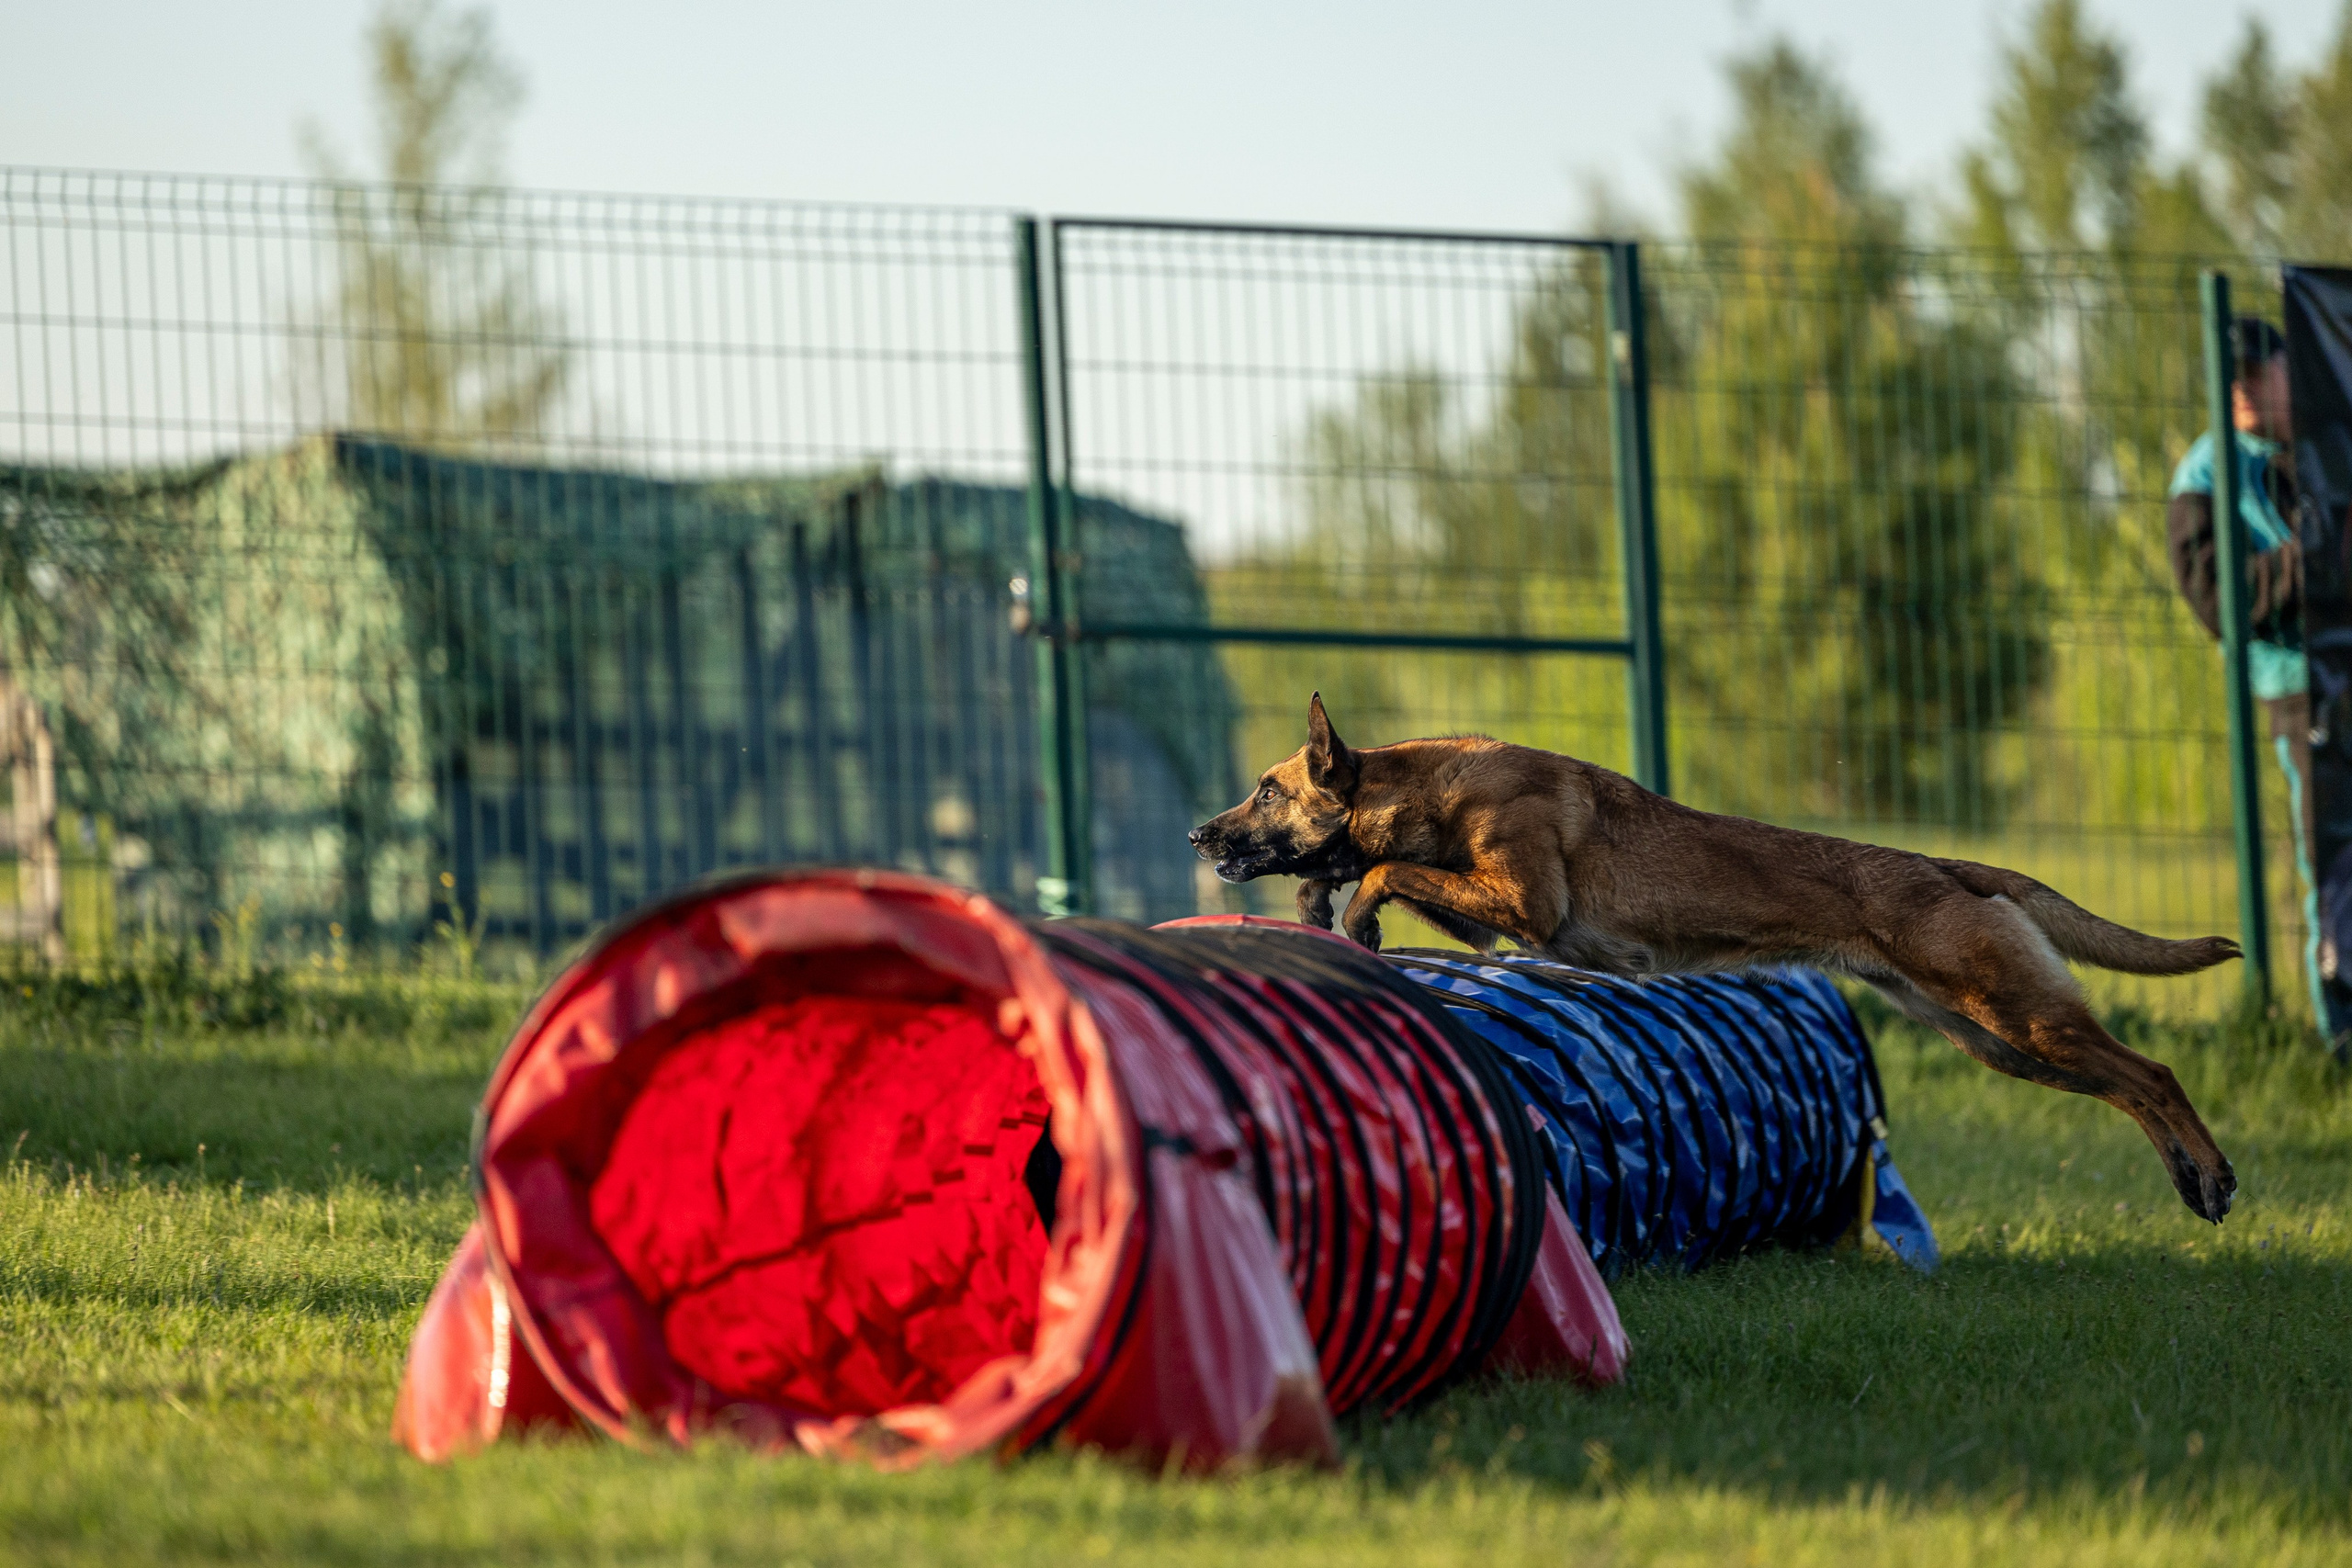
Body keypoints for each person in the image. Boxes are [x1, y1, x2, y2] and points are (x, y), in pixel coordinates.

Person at [2165, 314, 2334, 1031]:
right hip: (2298, 690)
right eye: (2234, 377)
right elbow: (2220, 600)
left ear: (2290, 369)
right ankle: (2341, 1034)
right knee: (2333, 860)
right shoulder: (2204, 475)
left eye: (2259, 371)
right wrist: (2315, 556)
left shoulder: (2333, 442)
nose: (2245, 388)